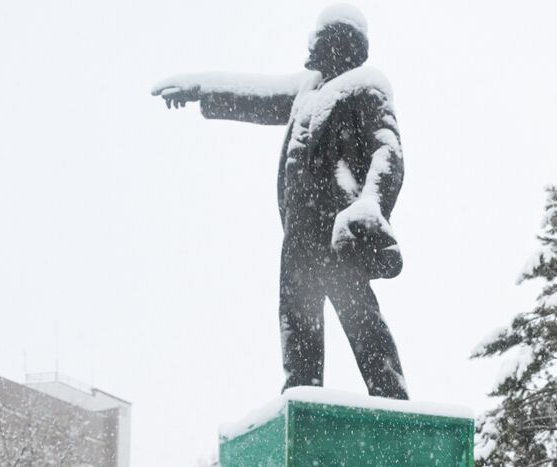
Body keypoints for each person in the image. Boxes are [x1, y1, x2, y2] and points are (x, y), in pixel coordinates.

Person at [152, 4, 409, 398]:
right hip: (299, 232)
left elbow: (387, 150)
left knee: (362, 319)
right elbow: (255, 95)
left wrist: (373, 203)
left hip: (339, 229)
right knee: (297, 323)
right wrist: (199, 88)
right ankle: (302, 398)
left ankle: (393, 402)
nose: (312, 47)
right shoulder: (307, 89)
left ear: (343, 42)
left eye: (321, 38)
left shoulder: (366, 85)